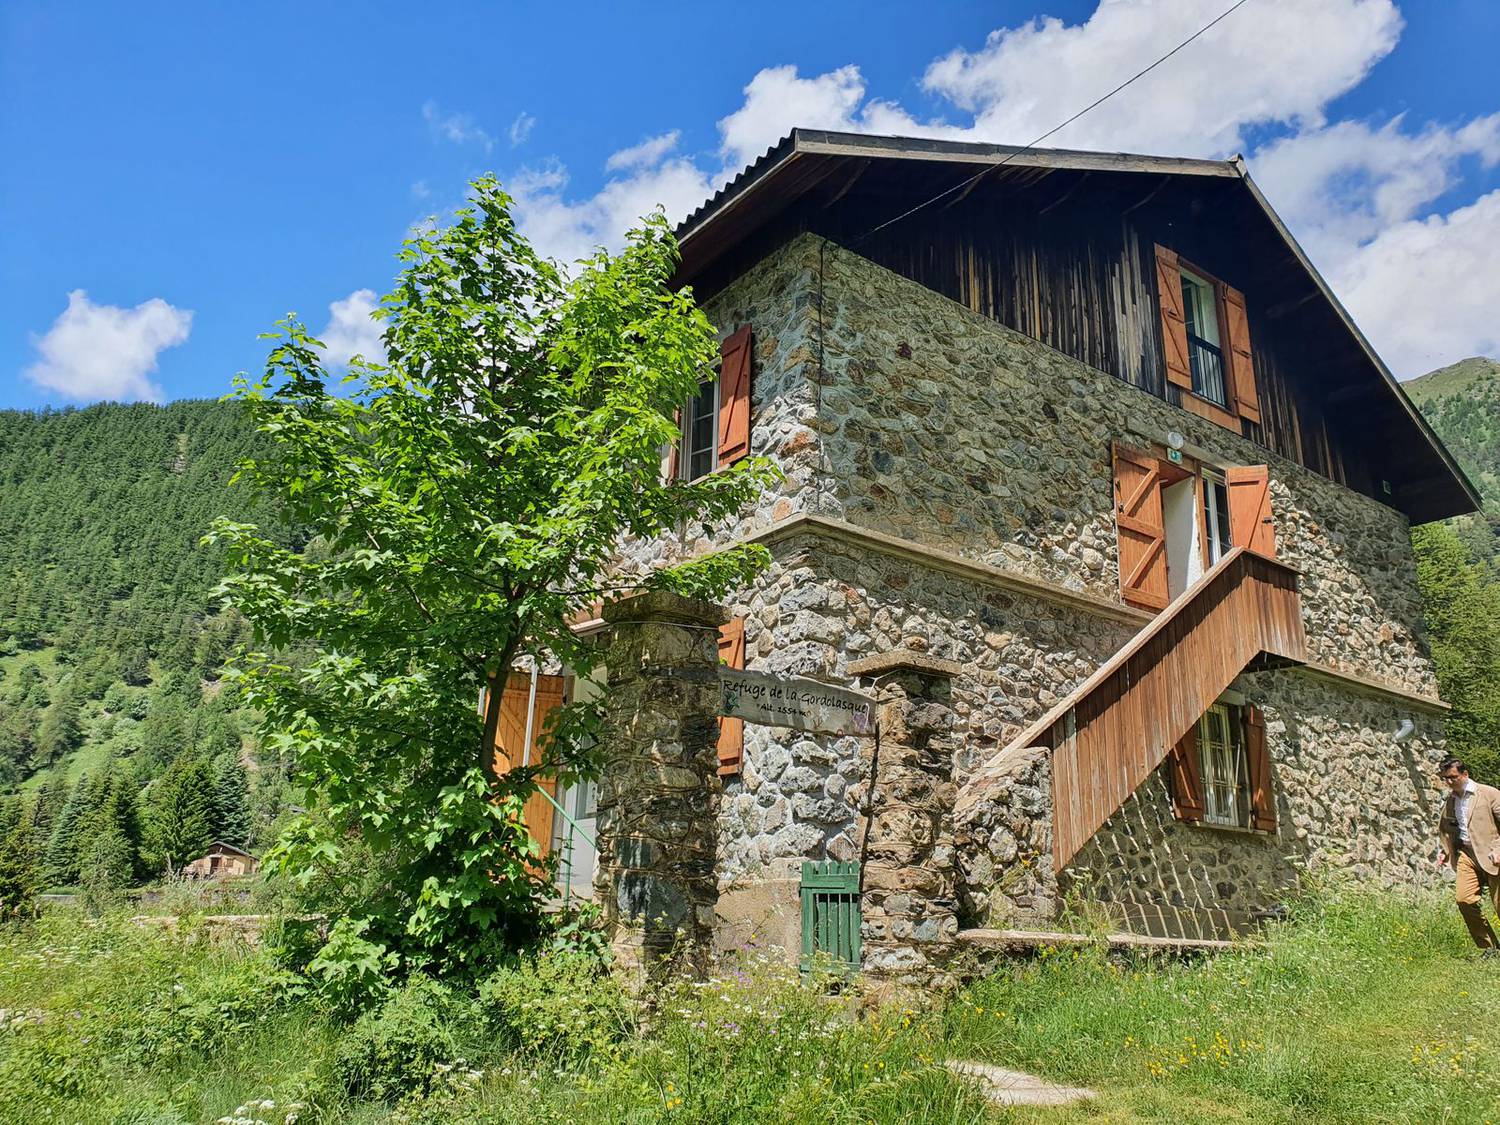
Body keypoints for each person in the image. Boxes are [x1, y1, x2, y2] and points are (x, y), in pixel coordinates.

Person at [1436, 756, 1500, 953]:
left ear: (1465, 774)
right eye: (1445, 778)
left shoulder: (1488, 794)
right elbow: (1448, 828)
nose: (1449, 782)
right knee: (1464, 900)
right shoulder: (1450, 800)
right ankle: (1490, 948)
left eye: (1453, 777)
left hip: (1492, 855)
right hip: (1467, 854)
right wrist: (1446, 852)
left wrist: (1499, 849)